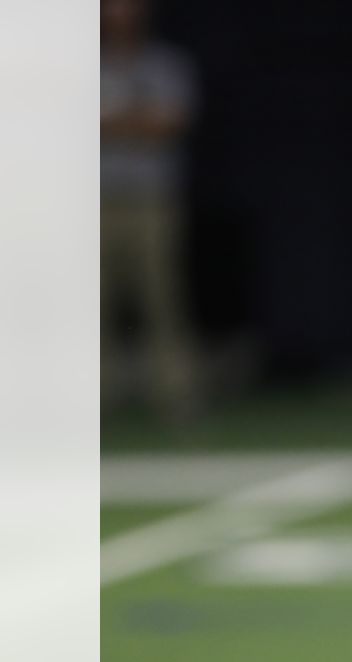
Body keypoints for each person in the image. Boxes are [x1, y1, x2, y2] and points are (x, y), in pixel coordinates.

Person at [101, 0, 200, 421]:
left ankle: (177, 399)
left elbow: (169, 124)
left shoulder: (165, 64)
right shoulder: (87, 66)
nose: (122, 13)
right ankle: (97, 400)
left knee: (162, 300)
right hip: (95, 201)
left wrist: (110, 122)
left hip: (151, 201)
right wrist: (136, 121)